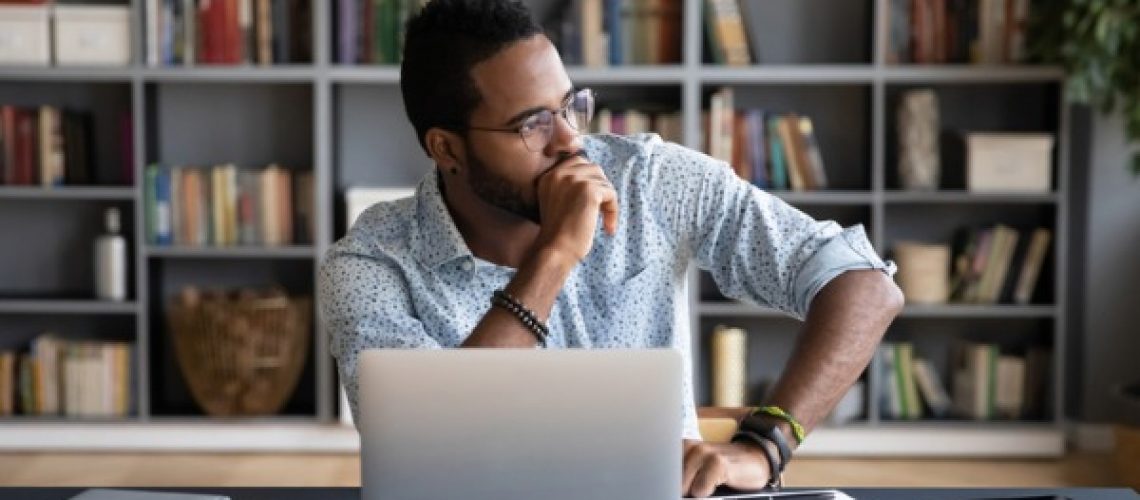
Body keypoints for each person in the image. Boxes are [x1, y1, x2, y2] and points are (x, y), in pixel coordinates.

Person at [319, 0, 903, 497]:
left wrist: (767, 443)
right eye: (533, 125)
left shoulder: (649, 181)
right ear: (447, 148)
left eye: (571, 105)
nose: (573, 140)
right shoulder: (370, 264)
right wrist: (554, 256)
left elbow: (864, 284)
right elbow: (425, 453)